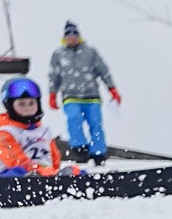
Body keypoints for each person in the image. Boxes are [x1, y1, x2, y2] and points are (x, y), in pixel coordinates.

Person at [47, 21, 121, 166]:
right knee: (74, 119)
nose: (72, 38)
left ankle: (98, 153)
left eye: (74, 34)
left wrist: (112, 89)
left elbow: (103, 71)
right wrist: (52, 94)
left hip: (91, 96)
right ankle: (79, 148)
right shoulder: (58, 54)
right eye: (69, 35)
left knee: (96, 124)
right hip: (70, 96)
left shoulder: (90, 52)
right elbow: (53, 76)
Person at [0, 77, 79, 177]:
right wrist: (40, 172)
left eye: (31, 103)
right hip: (8, 179)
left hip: (43, 175)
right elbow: (16, 161)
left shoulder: (44, 132)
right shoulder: (5, 133)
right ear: (10, 106)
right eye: (21, 104)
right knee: (18, 172)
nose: (27, 108)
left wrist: (55, 173)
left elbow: (54, 158)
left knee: (74, 171)